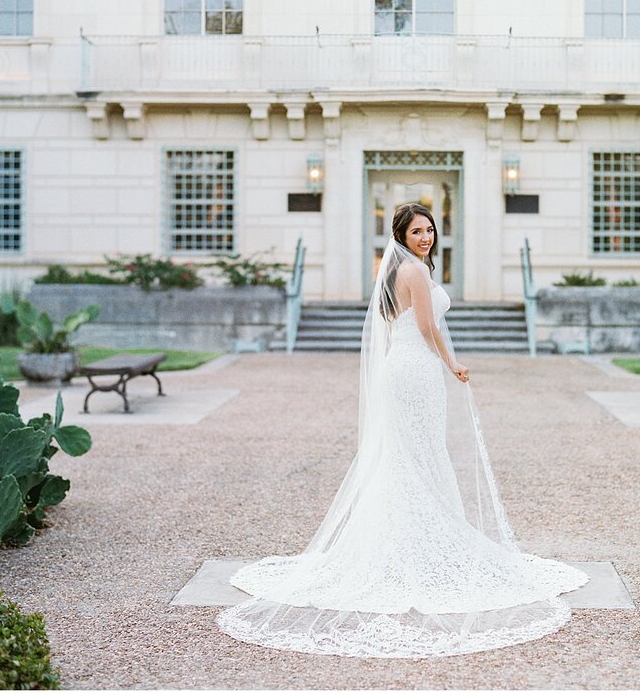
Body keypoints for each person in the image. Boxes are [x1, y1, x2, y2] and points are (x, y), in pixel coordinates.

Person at [217, 203, 588, 658]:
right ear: (402, 235)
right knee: (418, 453)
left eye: (430, 230)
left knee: (411, 453)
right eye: (417, 231)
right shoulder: (412, 271)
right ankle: (414, 547)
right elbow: (429, 326)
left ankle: (409, 542)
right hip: (417, 370)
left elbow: (405, 326)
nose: (426, 237)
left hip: (405, 367)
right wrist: (452, 364)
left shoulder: (402, 271)